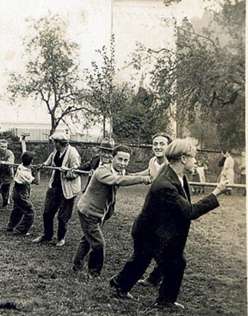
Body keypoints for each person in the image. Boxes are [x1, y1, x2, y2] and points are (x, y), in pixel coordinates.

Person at [109, 139, 229, 310]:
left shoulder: (174, 173)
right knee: (175, 263)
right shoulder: (166, 184)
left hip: (156, 230)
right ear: (183, 159)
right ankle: (165, 301)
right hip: (149, 232)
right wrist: (216, 193)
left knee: (141, 260)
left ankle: (119, 284)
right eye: (194, 157)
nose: (196, 161)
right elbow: (190, 212)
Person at [73, 143, 152, 278]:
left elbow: (129, 175)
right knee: (98, 244)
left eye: (126, 160)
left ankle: (77, 265)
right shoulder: (102, 171)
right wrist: (141, 179)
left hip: (99, 213)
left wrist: (149, 172)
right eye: (120, 159)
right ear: (112, 158)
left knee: (87, 239)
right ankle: (94, 273)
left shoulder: (120, 171)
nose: (122, 163)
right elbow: (117, 180)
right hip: (88, 212)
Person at [32, 132, 81, 247]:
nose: (53, 144)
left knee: (63, 216)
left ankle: (61, 238)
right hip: (55, 186)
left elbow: (77, 172)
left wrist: (66, 171)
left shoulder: (73, 153)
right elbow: (51, 159)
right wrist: (43, 164)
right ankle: (47, 235)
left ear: (60, 143)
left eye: (55, 142)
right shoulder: (56, 151)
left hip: (68, 188)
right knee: (47, 212)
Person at [136, 132, 172, 287]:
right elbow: (146, 173)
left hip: (168, 211)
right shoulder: (152, 161)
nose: (158, 147)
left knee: (165, 246)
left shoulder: (171, 165)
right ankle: (155, 278)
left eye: (162, 144)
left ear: (169, 146)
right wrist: (128, 176)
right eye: (155, 144)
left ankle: (156, 277)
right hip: (152, 209)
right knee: (150, 243)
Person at [6, 151, 39, 235]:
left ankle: (11, 226)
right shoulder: (24, 173)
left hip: (17, 190)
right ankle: (21, 230)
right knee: (30, 211)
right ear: (31, 161)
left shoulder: (21, 166)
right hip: (21, 192)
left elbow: (28, 167)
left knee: (17, 209)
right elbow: (37, 182)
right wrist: (38, 171)